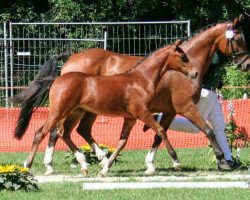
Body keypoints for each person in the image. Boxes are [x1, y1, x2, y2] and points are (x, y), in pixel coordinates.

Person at [152, 52, 241, 170]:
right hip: (204, 92)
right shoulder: (213, 55)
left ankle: (227, 161)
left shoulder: (217, 53)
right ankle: (157, 119)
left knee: (219, 125)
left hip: (211, 93)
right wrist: (231, 57)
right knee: (194, 128)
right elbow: (215, 63)